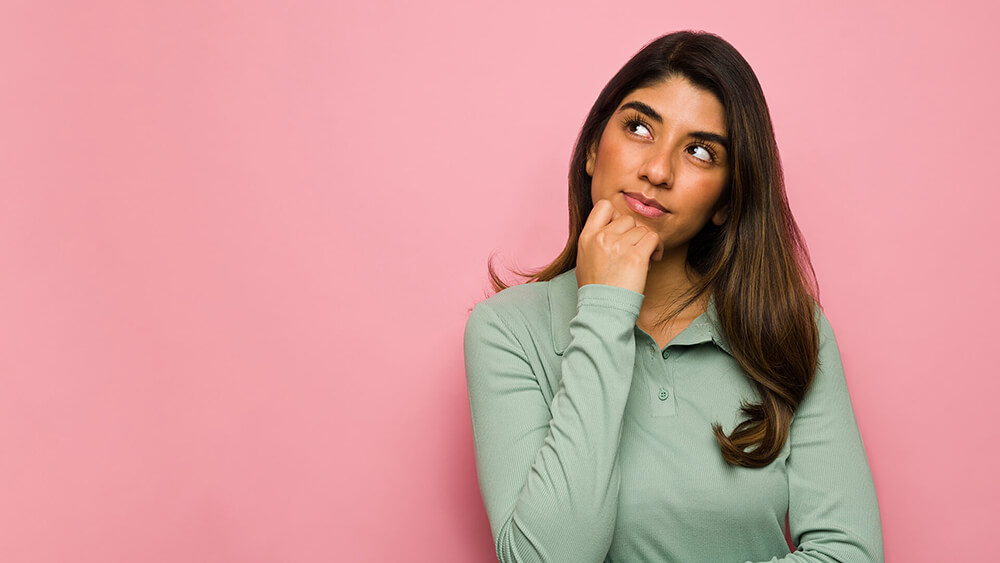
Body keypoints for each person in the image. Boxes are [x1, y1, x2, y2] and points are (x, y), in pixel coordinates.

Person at [463, 30, 884, 563]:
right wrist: (604, 309)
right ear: (593, 148)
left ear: (727, 202)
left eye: (700, 152)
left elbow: (848, 552)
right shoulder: (508, 331)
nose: (657, 171)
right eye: (639, 127)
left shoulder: (791, 329)